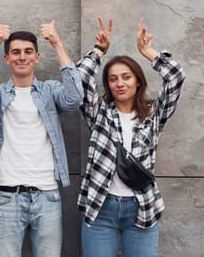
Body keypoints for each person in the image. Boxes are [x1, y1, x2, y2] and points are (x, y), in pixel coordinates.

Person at [0, 19, 83, 257]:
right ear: (7, 59)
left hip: (48, 196)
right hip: (7, 197)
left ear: (37, 57)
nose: (22, 57)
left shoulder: (50, 91)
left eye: (28, 52)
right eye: (16, 52)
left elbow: (74, 97)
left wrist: (57, 43)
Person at [76, 18, 186, 257]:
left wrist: (147, 52)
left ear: (138, 81)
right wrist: (98, 51)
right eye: (113, 79)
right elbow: (80, 79)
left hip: (142, 207)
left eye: (126, 77)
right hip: (100, 206)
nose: (119, 83)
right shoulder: (99, 112)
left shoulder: (153, 114)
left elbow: (176, 77)